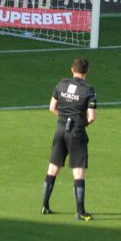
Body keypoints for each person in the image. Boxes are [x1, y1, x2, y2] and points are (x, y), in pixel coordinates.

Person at [42, 56, 97, 221]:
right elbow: (92, 117)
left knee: (53, 168)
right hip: (76, 132)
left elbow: (52, 108)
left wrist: (65, 118)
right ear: (87, 71)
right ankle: (80, 212)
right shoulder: (89, 90)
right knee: (78, 172)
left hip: (60, 130)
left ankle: (44, 205)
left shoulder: (62, 84)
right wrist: (80, 123)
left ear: (72, 70)